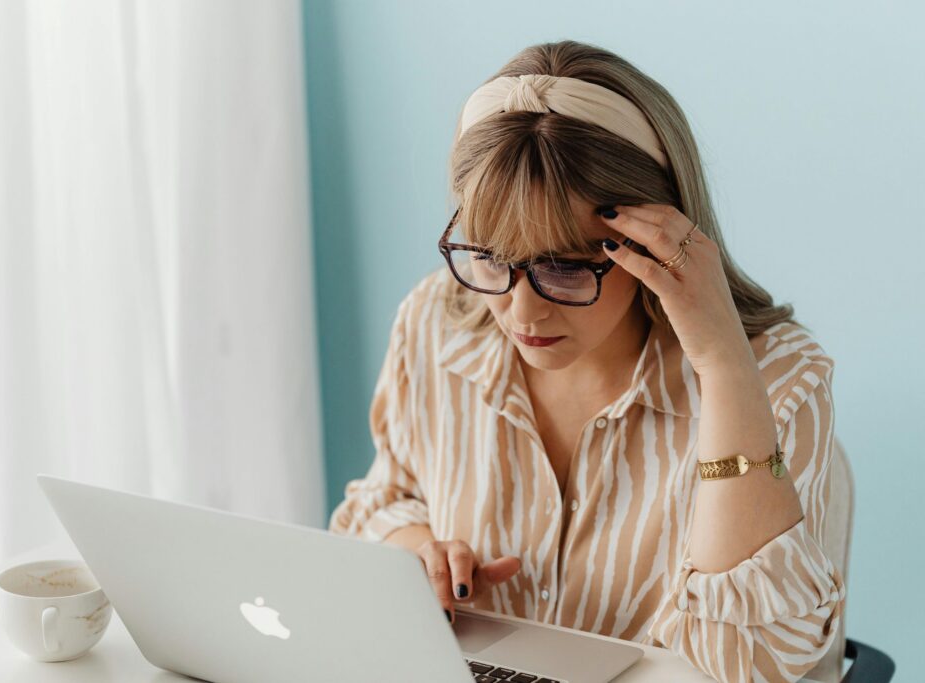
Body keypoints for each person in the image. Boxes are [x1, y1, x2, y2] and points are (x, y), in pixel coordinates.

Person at [327, 40, 845, 683]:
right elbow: (384, 500)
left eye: (563, 266)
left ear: (658, 237)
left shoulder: (777, 377)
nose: (522, 314)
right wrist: (417, 555)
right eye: (489, 256)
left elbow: (756, 664)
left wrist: (722, 364)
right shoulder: (435, 322)